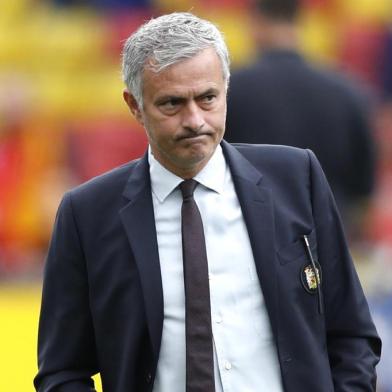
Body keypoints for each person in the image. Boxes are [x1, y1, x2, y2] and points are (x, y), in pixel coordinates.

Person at [34, 12, 381, 392]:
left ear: (226, 90)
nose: (194, 119)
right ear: (134, 106)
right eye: (172, 104)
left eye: (208, 98)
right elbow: (62, 371)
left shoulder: (297, 178)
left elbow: (352, 334)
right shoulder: (87, 215)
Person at [225, 0, 377, 241]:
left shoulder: (229, 91)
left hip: (253, 236)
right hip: (326, 239)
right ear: (301, 23)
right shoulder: (348, 91)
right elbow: (363, 188)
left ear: (256, 24)